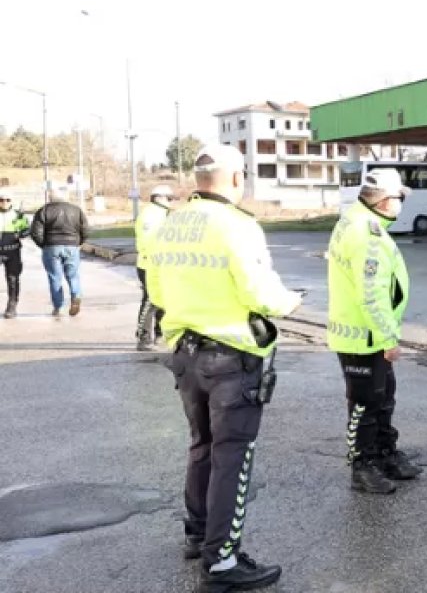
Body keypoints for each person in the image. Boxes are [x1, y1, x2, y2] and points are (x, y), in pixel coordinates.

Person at [148, 144, 301, 592]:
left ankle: (197, 533)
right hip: (229, 356)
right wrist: (291, 301)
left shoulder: (170, 223)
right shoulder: (237, 226)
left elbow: (156, 289)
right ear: (236, 178)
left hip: (185, 352)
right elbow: (260, 293)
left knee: (202, 446)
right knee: (232, 455)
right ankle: (222, 562)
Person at [326, 167, 421, 494]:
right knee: (365, 404)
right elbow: (372, 294)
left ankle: (383, 453)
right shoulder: (369, 235)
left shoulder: (352, 221)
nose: (401, 203)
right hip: (363, 336)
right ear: (383, 201)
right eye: (399, 198)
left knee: (381, 398)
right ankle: (362, 465)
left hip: (362, 333)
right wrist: (387, 339)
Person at [29, 185, 89, 317]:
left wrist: (44, 245)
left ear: (51, 197)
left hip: (51, 246)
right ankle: (76, 295)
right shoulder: (76, 210)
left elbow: (35, 232)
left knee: (55, 277)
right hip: (72, 246)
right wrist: (79, 243)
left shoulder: (44, 210)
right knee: (73, 275)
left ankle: (58, 307)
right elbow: (86, 230)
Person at [135, 184, 174, 350]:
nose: (171, 202)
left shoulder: (162, 214)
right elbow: (148, 242)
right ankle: (143, 337)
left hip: (162, 263)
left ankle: (160, 334)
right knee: (151, 301)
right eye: (169, 198)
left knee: (163, 299)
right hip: (150, 264)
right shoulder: (150, 215)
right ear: (159, 198)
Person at [0, 190, 30, 319]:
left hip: (13, 250)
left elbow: (27, 229)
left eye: (7, 200)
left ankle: (12, 305)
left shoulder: (19, 215)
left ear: (11, 201)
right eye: (1, 200)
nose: (4, 202)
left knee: (12, 279)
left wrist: (21, 234)